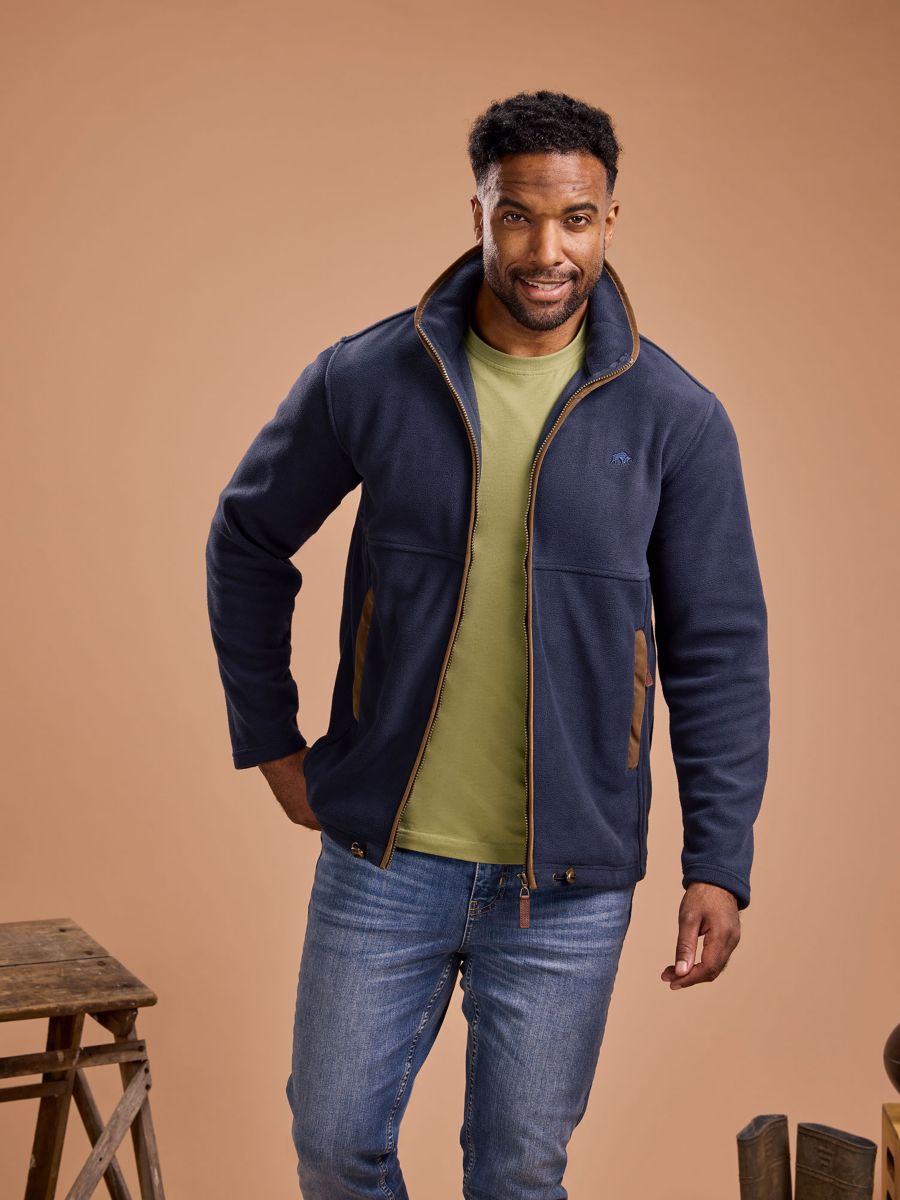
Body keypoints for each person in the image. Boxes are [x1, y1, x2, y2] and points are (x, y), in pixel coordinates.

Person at [205, 89, 770, 1199]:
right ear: (478, 214)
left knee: (517, 1177)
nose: (546, 250)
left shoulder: (676, 418)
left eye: (575, 219)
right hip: (385, 861)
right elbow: (247, 537)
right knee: (333, 1146)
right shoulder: (369, 377)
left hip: (568, 885)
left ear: (610, 221)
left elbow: (720, 652)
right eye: (518, 216)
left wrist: (720, 860)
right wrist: (270, 740)